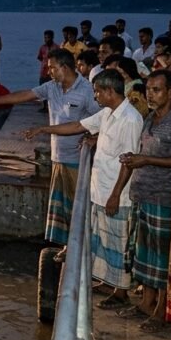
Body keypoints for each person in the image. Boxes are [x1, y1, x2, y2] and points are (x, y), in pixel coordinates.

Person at [25, 70, 143, 308]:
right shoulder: (108, 113)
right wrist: (44, 129)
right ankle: (108, 283)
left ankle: (121, 292)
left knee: (117, 243)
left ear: (111, 91)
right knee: (102, 239)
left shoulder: (130, 119)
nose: (95, 95)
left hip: (114, 194)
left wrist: (115, 194)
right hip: (99, 189)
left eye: (98, 91)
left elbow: (129, 162)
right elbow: (78, 125)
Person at [0, 49, 99, 248]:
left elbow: (101, 119)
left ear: (65, 67)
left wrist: (94, 137)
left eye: (52, 67)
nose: (48, 71)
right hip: (57, 158)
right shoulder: (51, 87)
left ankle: (83, 248)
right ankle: (68, 247)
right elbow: (25, 95)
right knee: (62, 209)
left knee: (79, 207)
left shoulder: (87, 91)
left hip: (78, 160)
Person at [117, 70, 171, 330]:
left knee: (162, 257)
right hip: (142, 192)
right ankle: (146, 301)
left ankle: (161, 311)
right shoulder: (150, 117)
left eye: (156, 90)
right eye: (149, 90)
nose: (150, 95)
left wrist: (147, 160)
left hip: (163, 196)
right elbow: (146, 150)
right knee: (144, 253)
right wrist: (135, 157)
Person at [37, 30, 58, 112]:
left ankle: (51, 106)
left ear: (52, 37)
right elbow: (40, 58)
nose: (46, 39)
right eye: (45, 38)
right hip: (43, 72)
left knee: (53, 90)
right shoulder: (42, 47)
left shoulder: (56, 47)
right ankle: (44, 106)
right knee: (42, 89)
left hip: (52, 72)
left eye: (48, 37)